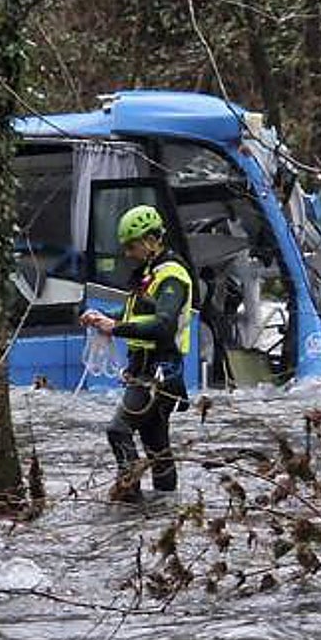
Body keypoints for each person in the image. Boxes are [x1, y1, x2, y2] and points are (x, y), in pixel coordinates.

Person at [79, 204, 193, 503]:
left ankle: (129, 500)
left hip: (160, 372)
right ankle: (166, 510)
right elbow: (136, 313)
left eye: (131, 246)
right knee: (157, 445)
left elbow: (163, 326)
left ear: (151, 241)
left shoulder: (172, 276)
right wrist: (101, 317)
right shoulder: (149, 274)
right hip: (145, 370)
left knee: (118, 430)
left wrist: (114, 328)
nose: (128, 253)